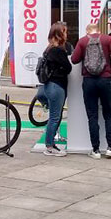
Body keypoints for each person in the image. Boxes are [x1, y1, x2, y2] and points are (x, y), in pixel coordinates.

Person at [71, 23, 111, 159]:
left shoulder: (82, 41)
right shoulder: (107, 39)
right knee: (109, 114)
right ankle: (110, 148)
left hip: (89, 81)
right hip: (105, 80)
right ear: (99, 31)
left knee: (92, 116)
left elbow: (74, 59)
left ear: (87, 31)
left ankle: (95, 150)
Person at [42, 23, 73, 157]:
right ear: (59, 34)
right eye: (64, 32)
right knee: (55, 117)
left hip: (51, 85)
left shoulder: (49, 48)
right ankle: (49, 146)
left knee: (54, 116)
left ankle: (50, 144)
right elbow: (68, 67)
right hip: (57, 85)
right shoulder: (58, 50)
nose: (66, 34)